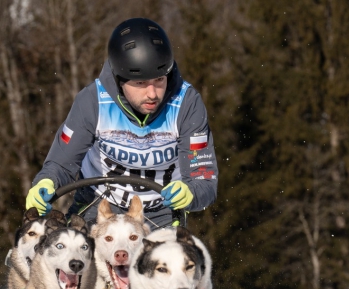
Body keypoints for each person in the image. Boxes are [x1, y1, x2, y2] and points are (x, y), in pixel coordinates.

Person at [25, 17, 218, 229]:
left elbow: (204, 180)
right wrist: (46, 181)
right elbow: (61, 163)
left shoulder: (187, 103)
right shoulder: (92, 101)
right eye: (140, 83)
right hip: (97, 205)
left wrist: (190, 192)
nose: (152, 93)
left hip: (160, 213)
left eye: (160, 80)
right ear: (119, 79)